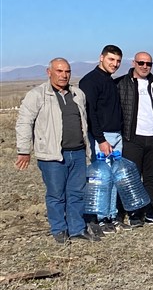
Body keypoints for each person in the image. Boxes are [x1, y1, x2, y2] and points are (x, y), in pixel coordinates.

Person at [15, 58, 97, 244]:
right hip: (52, 155)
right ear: (49, 72)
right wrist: (24, 150)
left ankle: (77, 229)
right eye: (59, 71)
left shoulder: (77, 94)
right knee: (56, 195)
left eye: (67, 71)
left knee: (77, 193)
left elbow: (84, 122)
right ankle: (59, 229)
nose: (63, 75)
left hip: (77, 152)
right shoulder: (37, 95)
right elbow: (24, 122)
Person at [116, 51, 153, 226]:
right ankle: (133, 213)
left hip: (152, 138)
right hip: (131, 138)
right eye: (141, 63)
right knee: (131, 178)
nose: (145, 66)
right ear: (133, 63)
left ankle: (151, 212)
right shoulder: (121, 84)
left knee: (151, 177)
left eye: (148, 64)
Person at [79, 44, 125, 234]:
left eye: (118, 61)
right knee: (101, 178)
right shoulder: (90, 81)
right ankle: (97, 217)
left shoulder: (110, 81)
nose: (114, 64)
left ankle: (111, 216)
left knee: (114, 177)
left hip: (116, 135)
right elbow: (91, 113)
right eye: (111, 60)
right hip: (101, 137)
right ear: (101, 58)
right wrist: (100, 139)